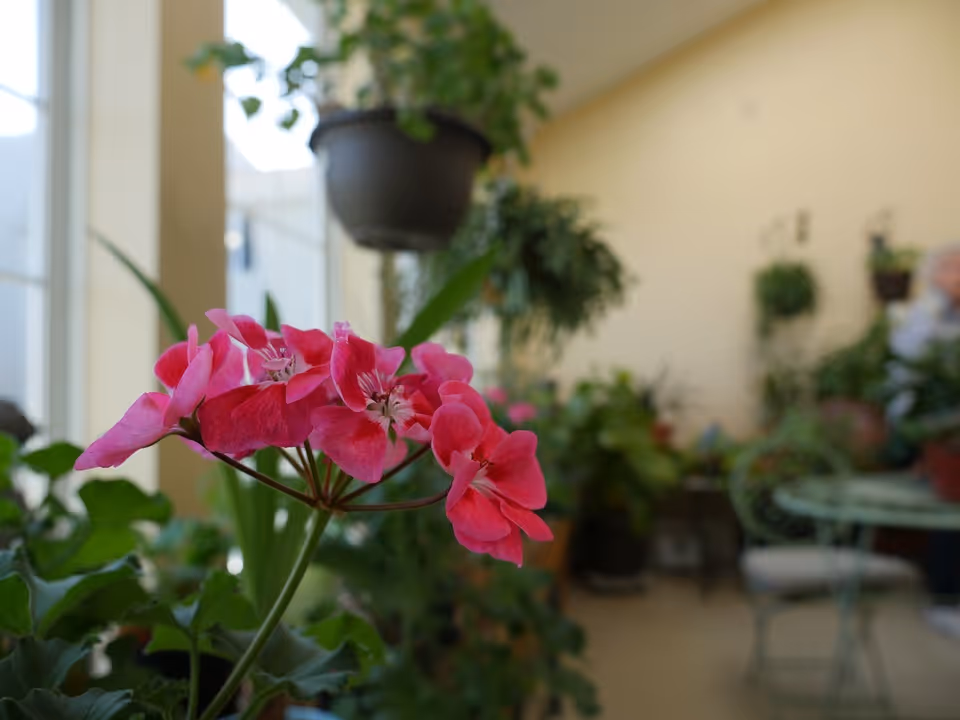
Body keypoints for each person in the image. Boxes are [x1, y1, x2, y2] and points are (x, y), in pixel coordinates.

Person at [889, 243, 960, 638]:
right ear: (932, 276)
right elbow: (907, 360)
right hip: (933, 428)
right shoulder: (921, 315)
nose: (958, 275)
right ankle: (945, 598)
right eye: (950, 268)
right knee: (946, 512)